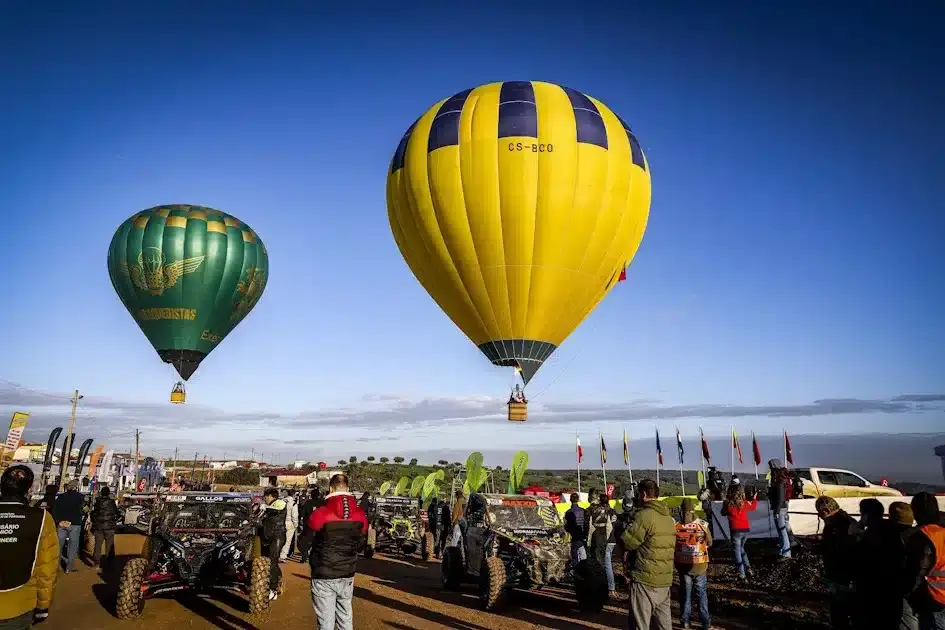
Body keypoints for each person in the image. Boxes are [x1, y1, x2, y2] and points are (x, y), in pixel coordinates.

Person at [0, 465, 59, 630]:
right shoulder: (41, 519)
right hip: (18, 606)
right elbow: (46, 567)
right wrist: (43, 604)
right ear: (30, 488)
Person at [307, 473, 367, 630]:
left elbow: (305, 540)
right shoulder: (360, 514)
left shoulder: (320, 513)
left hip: (323, 573)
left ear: (330, 488)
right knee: (345, 618)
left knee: (325, 622)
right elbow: (362, 542)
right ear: (348, 488)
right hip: (347, 573)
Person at [621, 479, 675, 630]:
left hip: (645, 579)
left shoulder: (644, 516)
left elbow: (628, 543)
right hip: (664, 578)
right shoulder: (668, 518)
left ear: (643, 494)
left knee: (641, 624)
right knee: (664, 624)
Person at [815, 496, 862, 630]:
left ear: (825, 511)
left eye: (820, 514)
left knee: (843, 610)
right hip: (839, 573)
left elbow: (844, 549)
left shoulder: (844, 525)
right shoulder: (841, 522)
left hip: (844, 575)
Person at [903, 492, 945, 630]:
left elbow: (917, 572)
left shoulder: (923, 536)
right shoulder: (942, 531)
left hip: (933, 599)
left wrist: (910, 596)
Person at [675, 497, 712, 630]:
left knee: (686, 594)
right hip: (700, 565)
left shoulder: (676, 525)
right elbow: (710, 542)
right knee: (702, 594)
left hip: (683, 566)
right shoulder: (703, 524)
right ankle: (705, 622)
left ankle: (685, 621)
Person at [722, 483, 757, 581]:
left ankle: (742, 574)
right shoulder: (743, 502)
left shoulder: (727, 503)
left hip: (735, 530)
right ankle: (748, 568)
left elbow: (723, 513)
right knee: (741, 549)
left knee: (737, 551)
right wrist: (754, 498)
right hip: (746, 529)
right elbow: (753, 507)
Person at [52, 480, 84, 573]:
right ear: (76, 487)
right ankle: (69, 567)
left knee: (59, 546)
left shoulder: (60, 497)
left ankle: (56, 566)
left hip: (61, 524)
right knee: (72, 546)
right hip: (74, 524)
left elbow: (55, 510)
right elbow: (85, 509)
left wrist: (58, 521)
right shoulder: (80, 497)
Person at [260, 488, 287, 601]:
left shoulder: (279, 502)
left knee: (273, 560)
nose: (265, 499)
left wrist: (266, 507)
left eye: (266, 497)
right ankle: (277, 580)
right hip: (267, 536)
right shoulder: (268, 507)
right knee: (268, 561)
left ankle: (273, 589)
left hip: (278, 536)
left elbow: (279, 508)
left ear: (271, 496)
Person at [587, 491, 615, 595]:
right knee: (604, 564)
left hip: (596, 539)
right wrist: (607, 538)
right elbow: (609, 526)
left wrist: (589, 542)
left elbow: (590, 528)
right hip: (604, 539)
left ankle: (597, 587)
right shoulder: (607, 511)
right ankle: (606, 587)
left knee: (596, 563)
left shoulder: (592, 510)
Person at [767, 459, 793, 559]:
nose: (770, 468)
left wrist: (777, 511)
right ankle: (786, 548)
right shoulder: (782, 478)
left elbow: (780, 497)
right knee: (784, 529)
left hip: (779, 509)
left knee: (782, 530)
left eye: (771, 466)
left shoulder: (779, 480)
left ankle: (786, 552)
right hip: (782, 507)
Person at [90, 486, 118, 567]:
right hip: (109, 527)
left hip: (99, 527)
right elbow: (117, 512)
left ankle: (97, 563)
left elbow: (93, 513)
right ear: (108, 493)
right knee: (109, 545)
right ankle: (108, 563)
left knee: (98, 545)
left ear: (101, 493)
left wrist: (94, 521)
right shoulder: (112, 502)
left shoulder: (97, 502)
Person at [564, 493, 588, 564]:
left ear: (570, 500)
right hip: (582, 536)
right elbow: (586, 524)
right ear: (578, 500)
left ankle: (576, 571)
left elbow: (567, 526)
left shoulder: (568, 512)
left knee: (575, 557)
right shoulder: (583, 510)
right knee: (583, 556)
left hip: (573, 537)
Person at [297, 488, 320, 563]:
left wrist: (301, 521)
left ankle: (304, 557)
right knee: (318, 543)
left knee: (305, 542)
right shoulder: (322, 503)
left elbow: (302, 514)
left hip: (308, 525)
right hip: (319, 526)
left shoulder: (308, 502)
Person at [280, 489, 299, 562]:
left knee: (280, 539)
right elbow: (294, 516)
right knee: (287, 540)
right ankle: (283, 556)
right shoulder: (293, 503)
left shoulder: (282, 501)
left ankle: (278, 554)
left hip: (281, 522)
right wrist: (296, 525)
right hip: (289, 523)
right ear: (294, 495)